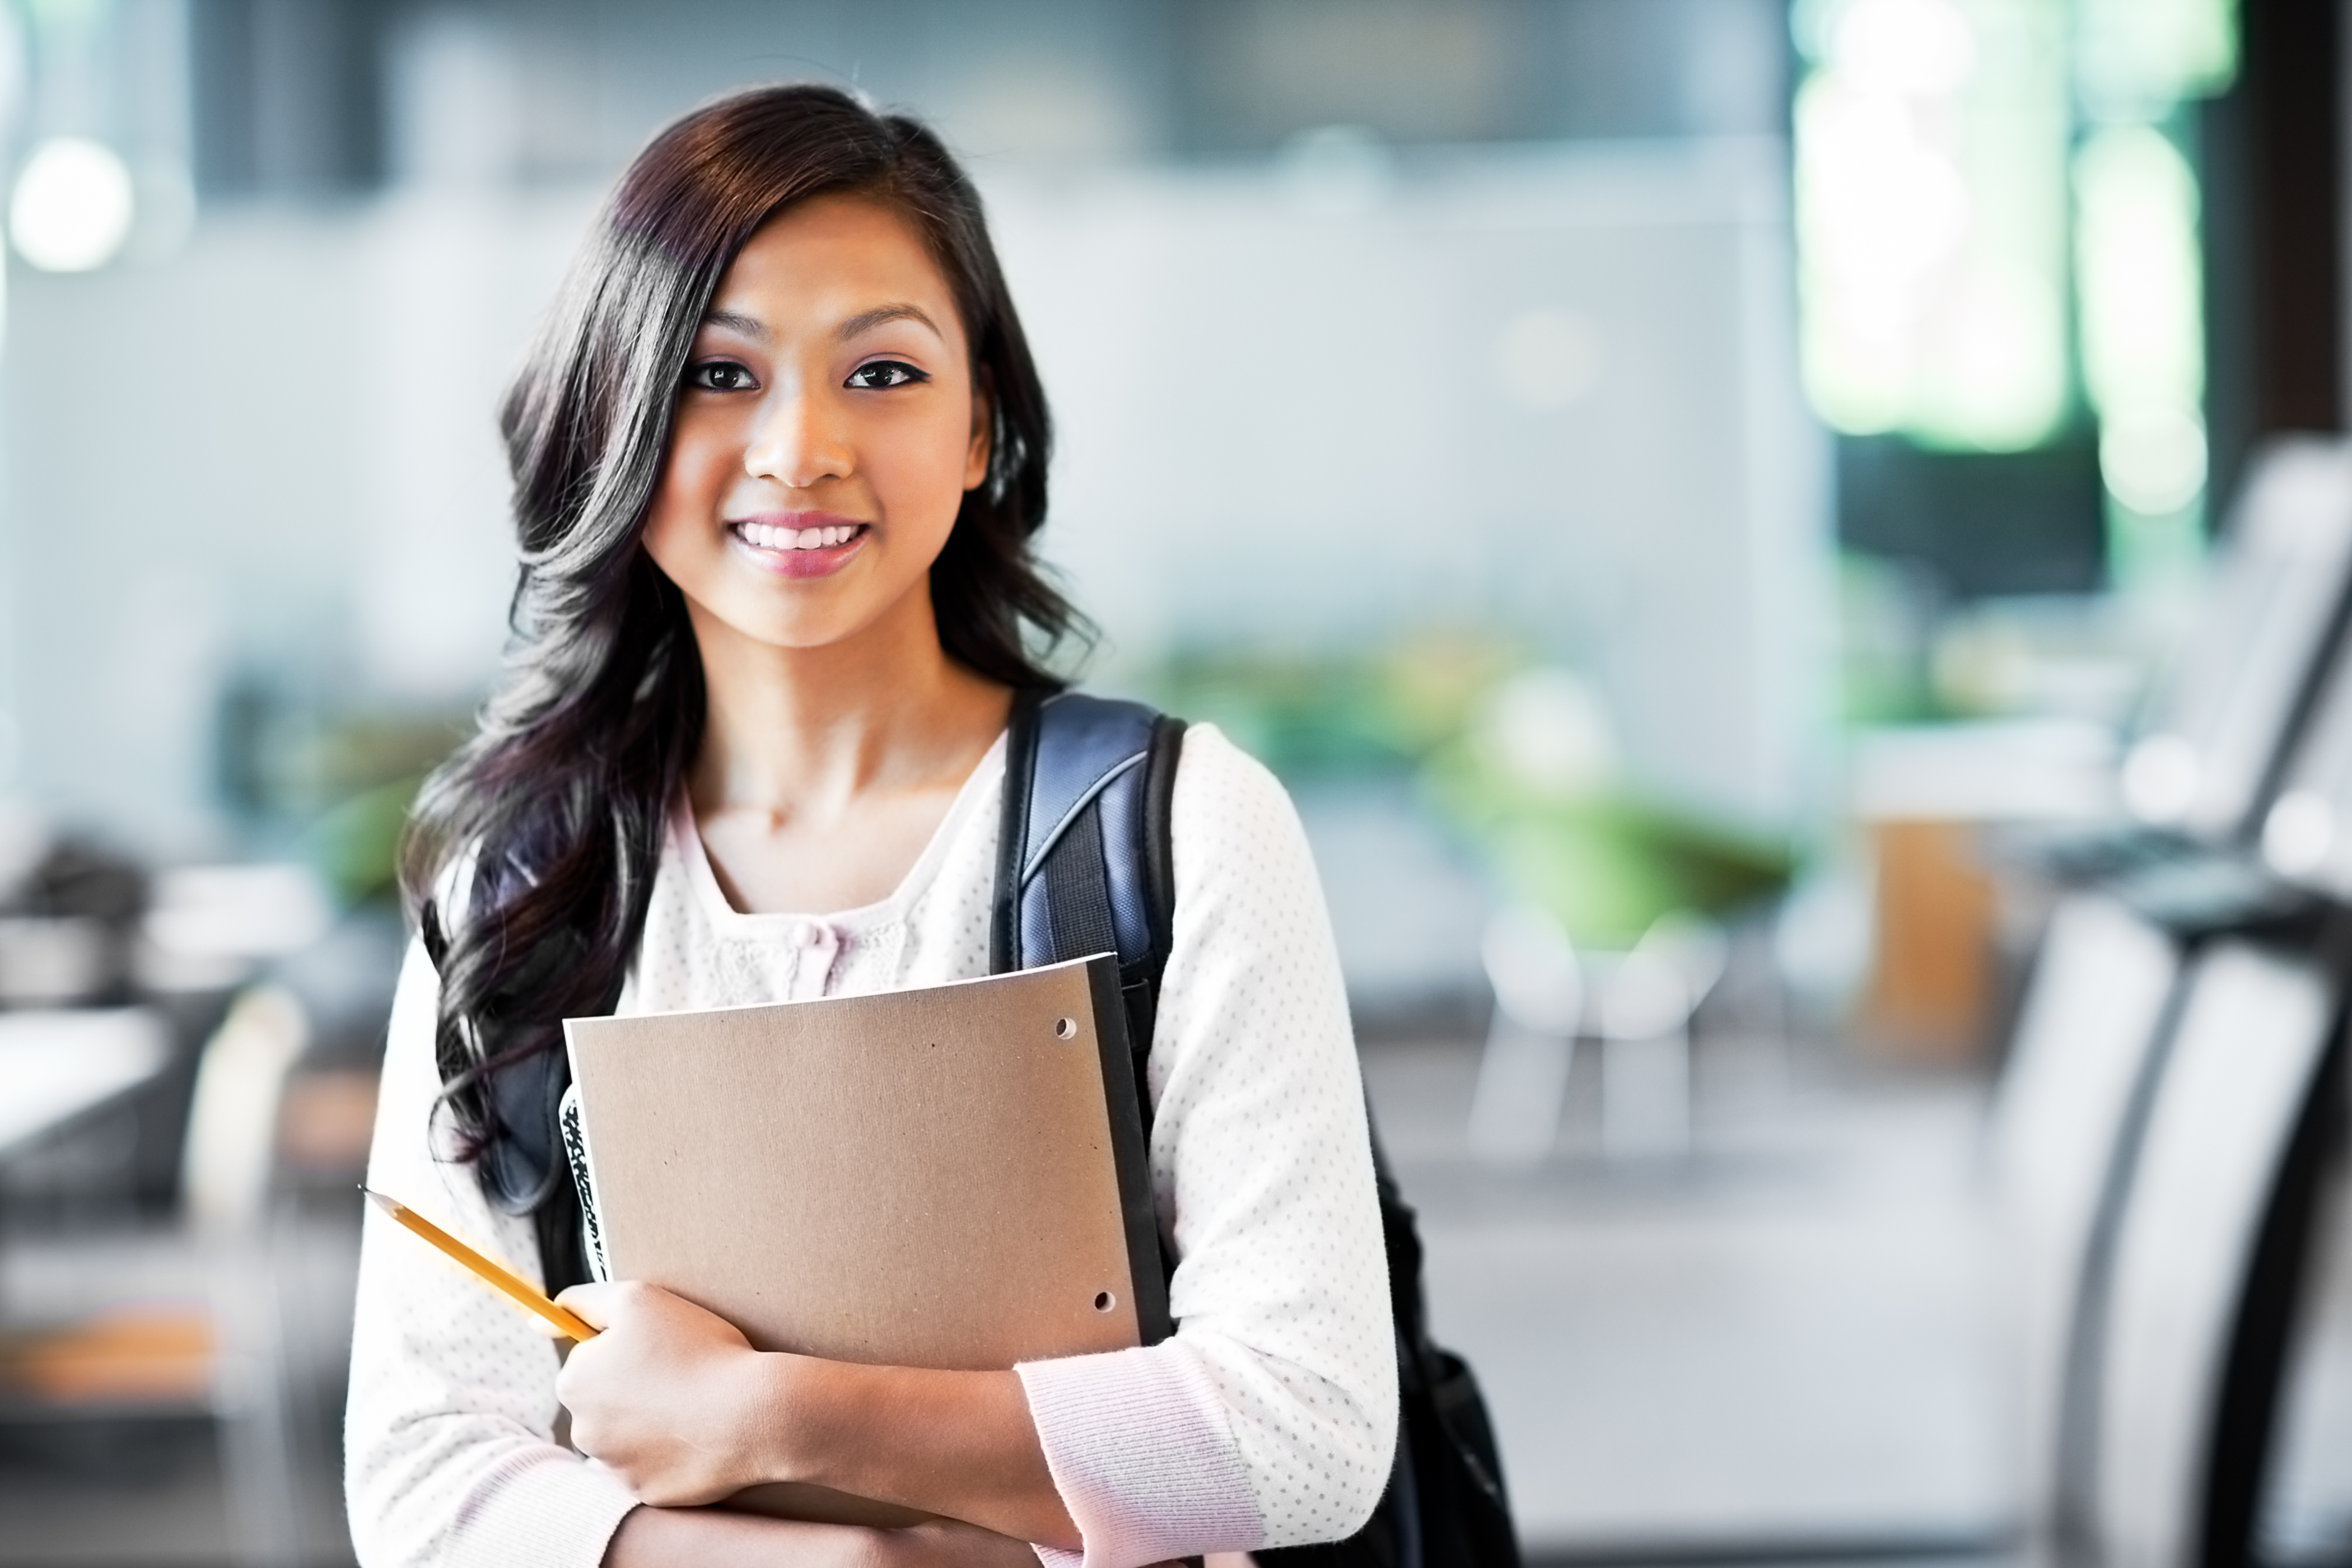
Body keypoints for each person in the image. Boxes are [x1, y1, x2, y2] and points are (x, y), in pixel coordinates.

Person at [344, 83, 1394, 1568]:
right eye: (718, 373)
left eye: (884, 374)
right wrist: (858, 1565)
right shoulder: (519, 885)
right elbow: (419, 1478)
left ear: (982, 429)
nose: (801, 448)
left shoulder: (1176, 826)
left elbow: (1307, 1433)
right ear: (619, 420)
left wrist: (771, 1417)